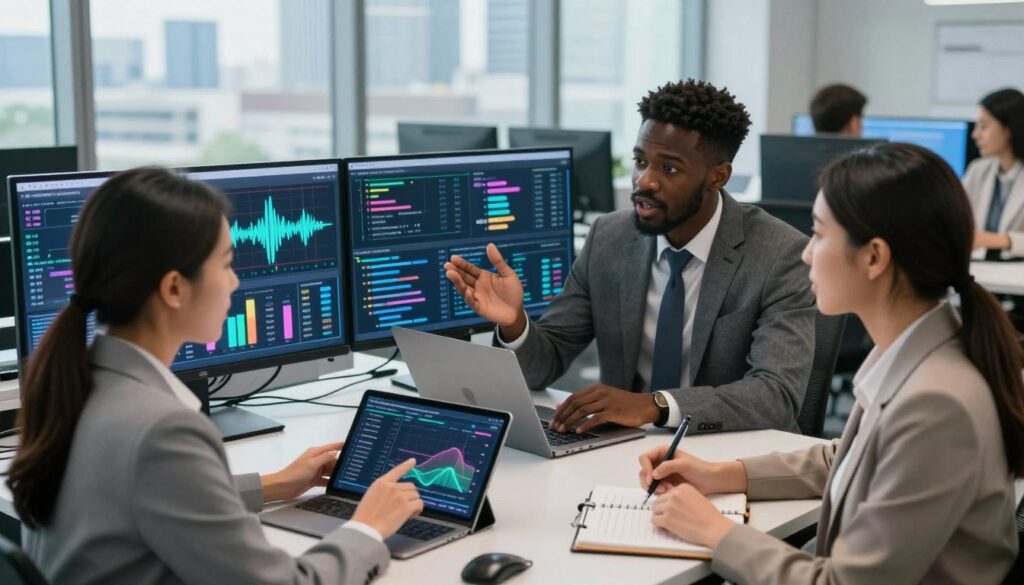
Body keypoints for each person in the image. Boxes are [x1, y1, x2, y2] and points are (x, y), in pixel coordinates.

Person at [7, 167, 424, 585]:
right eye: (225, 264)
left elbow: (143, 497)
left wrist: (274, 484)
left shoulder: (81, 384)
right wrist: (367, 528)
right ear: (173, 289)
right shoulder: (162, 429)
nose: (235, 281)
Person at [637, 143, 1024, 584]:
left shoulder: (937, 402)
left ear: (874, 257)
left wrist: (714, 531)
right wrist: (719, 474)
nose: (806, 254)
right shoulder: (915, 349)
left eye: (820, 234)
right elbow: (847, 457)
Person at [445, 79, 816, 435]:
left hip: (732, 457)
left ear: (718, 177)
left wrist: (655, 405)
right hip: (624, 450)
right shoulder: (609, 237)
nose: (644, 181)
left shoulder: (778, 256)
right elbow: (543, 365)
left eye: (669, 168)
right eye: (640, 161)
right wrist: (514, 323)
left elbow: (776, 396)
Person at [963, 87, 1024, 260]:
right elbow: (955, 218)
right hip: (981, 268)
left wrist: (999, 240)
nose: (976, 135)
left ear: (1008, 130)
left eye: (984, 126)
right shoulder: (978, 170)